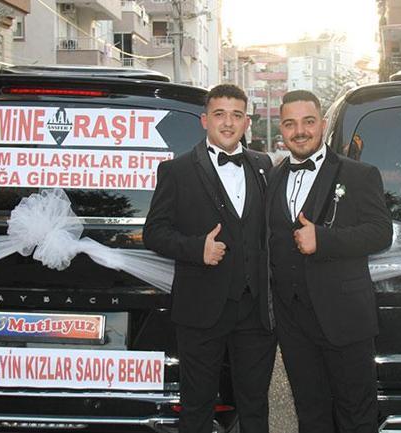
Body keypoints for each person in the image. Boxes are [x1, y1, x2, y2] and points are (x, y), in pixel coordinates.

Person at [144, 84, 276, 433]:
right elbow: (154, 232)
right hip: (200, 309)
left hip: (254, 311)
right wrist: (195, 248)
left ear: (247, 122)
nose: (228, 123)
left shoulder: (263, 165)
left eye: (236, 115)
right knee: (197, 405)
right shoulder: (176, 171)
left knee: (255, 405)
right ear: (205, 120)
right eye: (219, 114)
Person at [266, 90, 393, 433]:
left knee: (356, 416)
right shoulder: (273, 177)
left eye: (308, 122)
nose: (300, 131)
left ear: (322, 125)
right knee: (310, 415)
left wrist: (323, 240)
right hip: (293, 325)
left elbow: (380, 233)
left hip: (344, 320)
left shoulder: (359, 174)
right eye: (290, 124)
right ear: (282, 129)